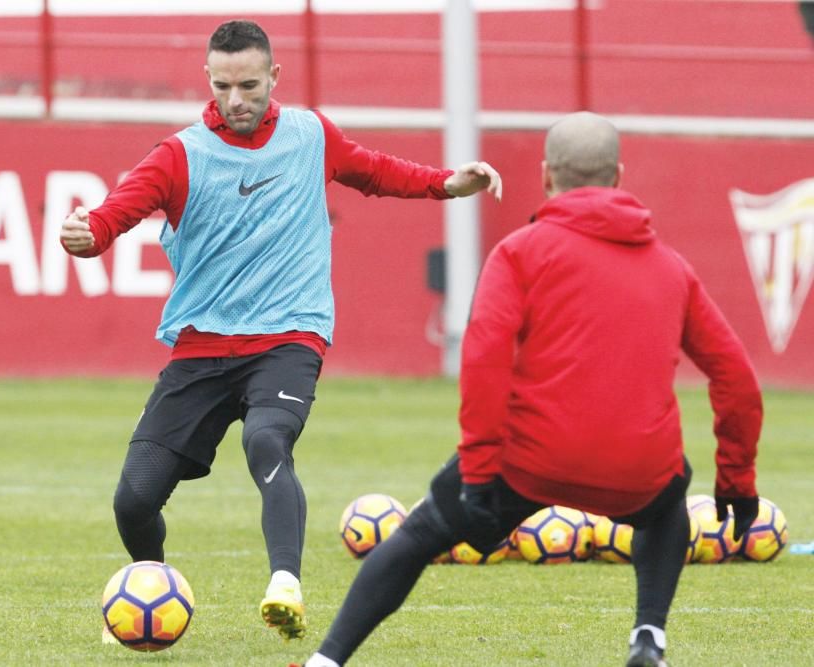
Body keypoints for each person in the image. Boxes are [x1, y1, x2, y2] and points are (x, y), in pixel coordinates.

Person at [59, 19, 502, 642]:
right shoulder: (179, 155)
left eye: (248, 85)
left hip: (289, 337)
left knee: (268, 441)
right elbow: (113, 214)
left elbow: (372, 170)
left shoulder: (310, 135)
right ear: (207, 81)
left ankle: (285, 584)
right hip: (201, 346)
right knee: (133, 499)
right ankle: (151, 586)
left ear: (274, 77)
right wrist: (85, 235)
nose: (236, 100)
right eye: (222, 86)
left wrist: (447, 184)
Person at [294, 112, 763, 667]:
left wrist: (479, 468)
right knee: (668, 506)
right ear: (618, 176)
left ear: (545, 177)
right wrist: (736, 481)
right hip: (636, 467)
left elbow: (484, 358)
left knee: (419, 535)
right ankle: (648, 639)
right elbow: (737, 378)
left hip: (526, 462)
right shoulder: (673, 268)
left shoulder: (519, 253)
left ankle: (326, 662)